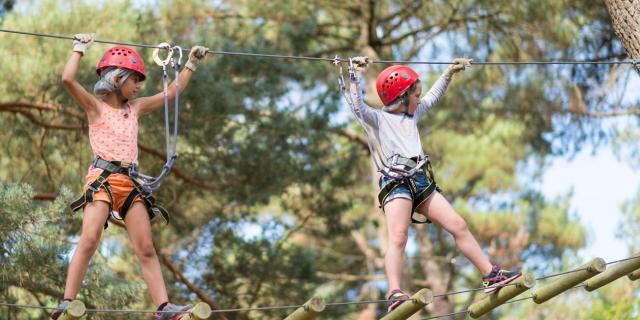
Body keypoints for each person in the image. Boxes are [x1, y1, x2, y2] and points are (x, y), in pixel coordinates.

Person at [344, 57, 521, 312]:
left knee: (458, 225)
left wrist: (449, 73)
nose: (419, 99)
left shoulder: (413, 114)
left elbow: (434, 96)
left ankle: (491, 275)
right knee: (398, 236)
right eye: (415, 94)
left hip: (420, 178)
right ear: (402, 96)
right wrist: (355, 74)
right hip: (396, 181)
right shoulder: (381, 119)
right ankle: (394, 292)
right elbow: (357, 106)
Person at [51, 33, 208, 320]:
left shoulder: (134, 109)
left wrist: (191, 65)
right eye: (134, 79)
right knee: (89, 239)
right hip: (102, 179)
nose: (138, 86)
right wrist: (79, 49)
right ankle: (66, 301)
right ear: (116, 79)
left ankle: (164, 308)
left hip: (131, 183)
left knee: (146, 247)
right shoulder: (95, 107)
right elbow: (68, 80)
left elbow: (171, 94)